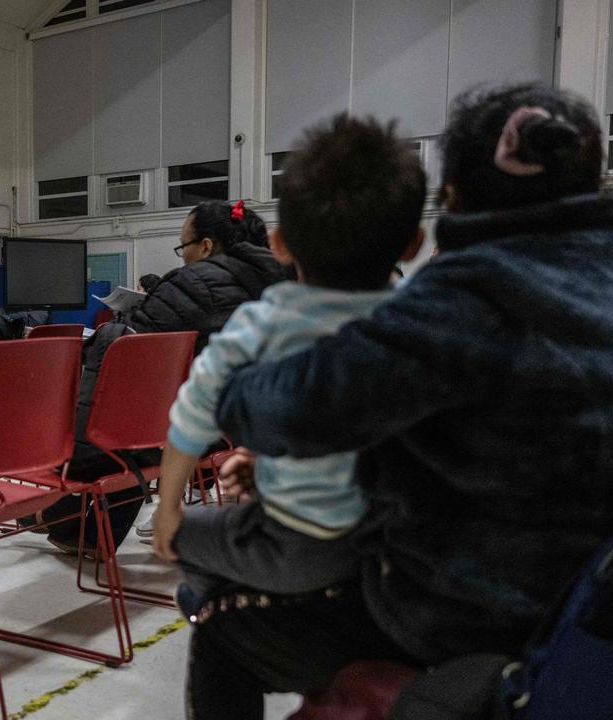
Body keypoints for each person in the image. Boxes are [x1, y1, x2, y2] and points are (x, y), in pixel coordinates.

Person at [194, 84, 613, 719]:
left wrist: (228, 384)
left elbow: (287, 409)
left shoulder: (465, 295)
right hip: (581, 615)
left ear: (453, 197)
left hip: (463, 611)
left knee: (225, 627)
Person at [148, 115, 427, 619]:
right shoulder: (424, 320)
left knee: (187, 547)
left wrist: (168, 512)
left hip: (300, 546)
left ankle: (226, 606)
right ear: (412, 244)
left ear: (279, 244)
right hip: (396, 547)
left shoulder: (262, 325)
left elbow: (188, 425)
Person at [40, 200, 286, 555]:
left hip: (190, 429)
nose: (182, 255)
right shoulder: (280, 280)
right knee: (138, 430)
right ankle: (68, 524)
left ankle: (68, 520)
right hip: (245, 426)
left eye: (183, 246)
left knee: (119, 428)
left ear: (205, 246)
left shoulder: (194, 282)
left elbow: (135, 351)